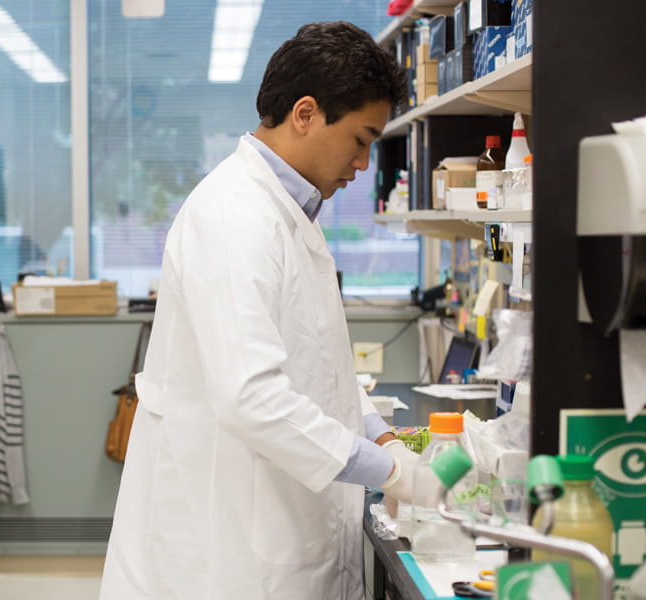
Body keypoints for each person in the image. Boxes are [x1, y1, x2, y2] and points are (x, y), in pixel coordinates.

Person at [100, 21, 419, 600]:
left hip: (275, 525)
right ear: (306, 114)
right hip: (228, 551)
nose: (364, 163)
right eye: (361, 139)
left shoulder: (290, 211)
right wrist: (391, 472)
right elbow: (252, 396)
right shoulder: (236, 216)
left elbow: (319, 364)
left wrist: (382, 436)